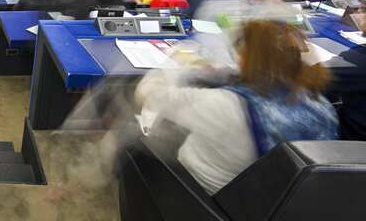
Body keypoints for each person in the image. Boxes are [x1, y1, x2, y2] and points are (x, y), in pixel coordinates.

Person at [136, 20, 338, 195]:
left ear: (249, 57)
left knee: (141, 139)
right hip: (285, 201)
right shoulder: (322, 105)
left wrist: (176, 62)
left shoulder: (225, 105)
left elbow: (146, 93)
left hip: (213, 197)